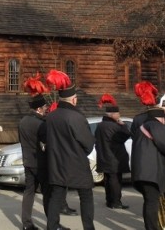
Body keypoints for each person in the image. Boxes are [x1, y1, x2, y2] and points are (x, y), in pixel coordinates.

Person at [44, 70, 94, 230]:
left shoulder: (51, 117)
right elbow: (88, 143)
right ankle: (88, 228)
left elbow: (47, 139)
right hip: (77, 164)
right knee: (86, 197)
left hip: (57, 164)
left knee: (56, 197)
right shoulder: (76, 117)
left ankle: (52, 227)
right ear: (74, 99)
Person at [18, 92, 50, 230]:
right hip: (41, 163)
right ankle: (53, 224)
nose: (46, 109)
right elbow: (47, 144)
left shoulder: (22, 121)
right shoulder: (42, 124)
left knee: (29, 192)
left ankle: (26, 224)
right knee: (48, 193)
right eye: (44, 107)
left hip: (27, 161)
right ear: (38, 109)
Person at [94, 94, 130, 210]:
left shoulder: (100, 126)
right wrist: (123, 125)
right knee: (115, 181)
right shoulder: (114, 126)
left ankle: (109, 201)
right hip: (114, 158)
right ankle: (116, 202)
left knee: (108, 180)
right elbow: (125, 136)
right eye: (118, 114)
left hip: (104, 157)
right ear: (113, 115)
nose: (119, 116)